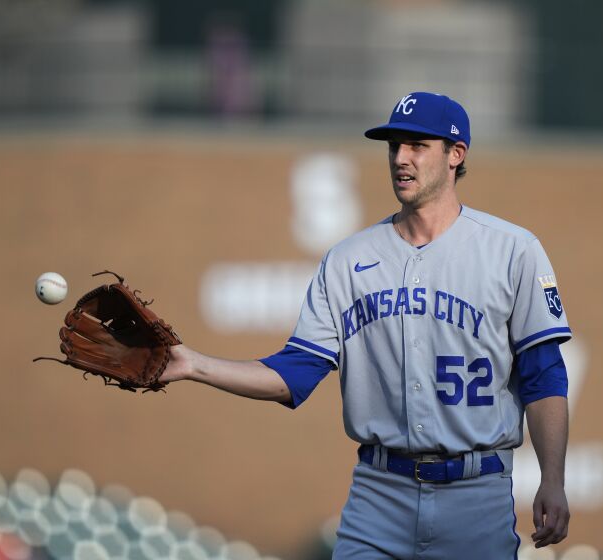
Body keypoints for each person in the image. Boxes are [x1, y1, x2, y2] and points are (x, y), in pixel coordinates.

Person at [161, 91, 572, 558]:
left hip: (476, 497)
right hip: (379, 495)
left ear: (456, 155)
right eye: (394, 145)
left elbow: (544, 376)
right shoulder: (347, 260)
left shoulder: (512, 251)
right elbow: (293, 375)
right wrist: (194, 364)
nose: (401, 158)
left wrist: (552, 481)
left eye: (417, 145)